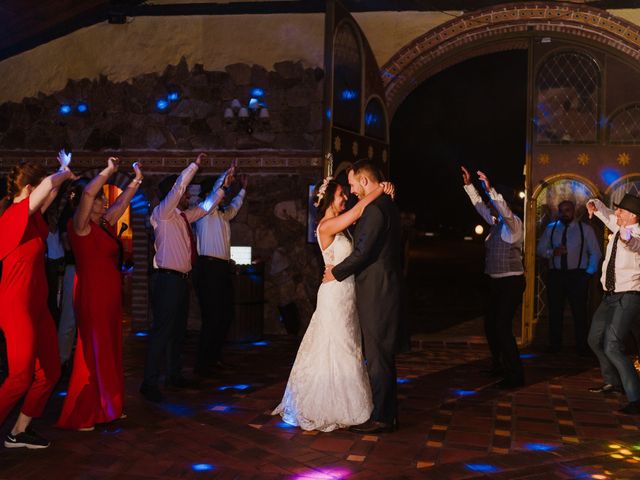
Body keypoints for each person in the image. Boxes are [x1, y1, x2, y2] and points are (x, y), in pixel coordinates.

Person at [273, 173, 394, 431]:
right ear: (329, 198)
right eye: (341, 194)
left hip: (347, 293)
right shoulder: (326, 226)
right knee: (337, 346)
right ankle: (330, 405)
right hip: (334, 296)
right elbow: (360, 208)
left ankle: (353, 403)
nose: (346, 197)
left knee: (349, 345)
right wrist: (379, 189)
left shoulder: (340, 224)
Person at [57, 157, 143, 431]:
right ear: (84, 202)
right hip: (92, 296)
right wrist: (107, 171)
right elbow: (89, 191)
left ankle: (109, 405)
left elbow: (121, 204)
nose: (102, 202)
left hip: (108, 298)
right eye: (97, 200)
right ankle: (85, 412)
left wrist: (136, 179)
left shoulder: (102, 225)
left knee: (108, 348)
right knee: (92, 350)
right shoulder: (79, 227)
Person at [140, 155, 232, 403]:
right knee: (162, 332)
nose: (186, 196)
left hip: (180, 280)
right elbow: (180, 186)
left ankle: (173, 374)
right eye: (181, 194)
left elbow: (207, 207)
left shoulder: (181, 217)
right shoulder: (163, 213)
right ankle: (149, 383)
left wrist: (223, 187)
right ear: (171, 194)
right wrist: (194, 166)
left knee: (177, 332)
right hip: (166, 280)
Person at [323, 160, 405, 434]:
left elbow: (363, 253)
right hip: (380, 289)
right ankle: (386, 413)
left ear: (365, 181)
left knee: (378, 356)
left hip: (377, 292)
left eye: (354, 183)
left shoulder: (375, 210)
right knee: (380, 354)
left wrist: (336, 273)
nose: (352, 189)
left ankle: (382, 417)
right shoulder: (385, 205)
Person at [0, 154, 75, 449]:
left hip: (37, 307)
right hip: (15, 306)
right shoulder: (12, 216)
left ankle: (18, 431)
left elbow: (48, 194)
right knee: (20, 377)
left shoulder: (32, 220)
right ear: (30, 189)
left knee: (51, 372)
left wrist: (64, 172)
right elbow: (47, 189)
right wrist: (59, 174)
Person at [461, 166, 525, 389]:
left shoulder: (514, 224)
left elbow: (504, 210)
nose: (489, 207)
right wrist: (470, 186)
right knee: (491, 325)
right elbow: (479, 207)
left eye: (493, 203)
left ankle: (515, 375)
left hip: (512, 282)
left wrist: (490, 190)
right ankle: (499, 364)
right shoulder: (495, 223)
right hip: (496, 282)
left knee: (501, 327)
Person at [586, 194, 640, 414]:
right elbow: (606, 214)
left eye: (621, 211)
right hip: (609, 295)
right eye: (617, 210)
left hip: (628, 295)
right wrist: (593, 204)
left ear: (633, 216)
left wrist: (627, 236)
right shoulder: (618, 225)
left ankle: (636, 397)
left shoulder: (635, 234)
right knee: (594, 339)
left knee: (612, 345)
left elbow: (633, 243)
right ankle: (613, 381)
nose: (616, 213)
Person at [193, 173, 248, 376]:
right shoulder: (204, 211)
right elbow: (216, 196)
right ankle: (203, 364)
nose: (223, 197)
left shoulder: (222, 214)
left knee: (225, 316)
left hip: (221, 269)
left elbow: (234, 208)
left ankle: (214, 358)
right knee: (212, 317)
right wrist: (225, 179)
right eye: (219, 194)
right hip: (208, 269)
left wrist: (242, 190)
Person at [536, 200, 601, 355]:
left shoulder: (584, 229)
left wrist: (588, 273)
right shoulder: (551, 229)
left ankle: (582, 347)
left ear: (574, 211)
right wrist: (552, 252)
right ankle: (555, 345)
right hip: (556, 275)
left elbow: (595, 253)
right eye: (562, 210)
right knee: (555, 312)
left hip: (577, 275)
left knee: (579, 312)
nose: (565, 213)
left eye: (568, 210)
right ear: (558, 211)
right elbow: (540, 249)